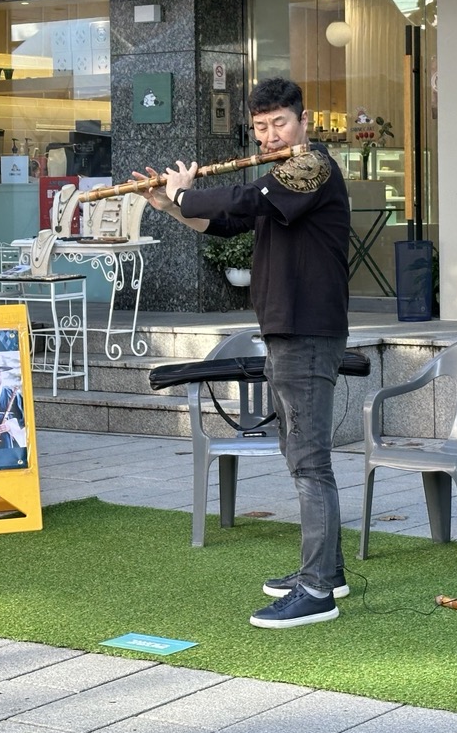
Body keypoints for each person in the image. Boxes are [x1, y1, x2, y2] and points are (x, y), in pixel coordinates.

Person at [137, 76, 350, 629]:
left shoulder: (314, 167)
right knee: (299, 453)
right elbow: (223, 219)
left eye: (280, 123)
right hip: (286, 329)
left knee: (309, 462)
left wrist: (185, 190)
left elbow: (241, 198)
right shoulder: (279, 179)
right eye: (260, 127)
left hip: (307, 330)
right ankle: (331, 569)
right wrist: (168, 205)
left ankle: (318, 588)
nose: (271, 135)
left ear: (303, 121)